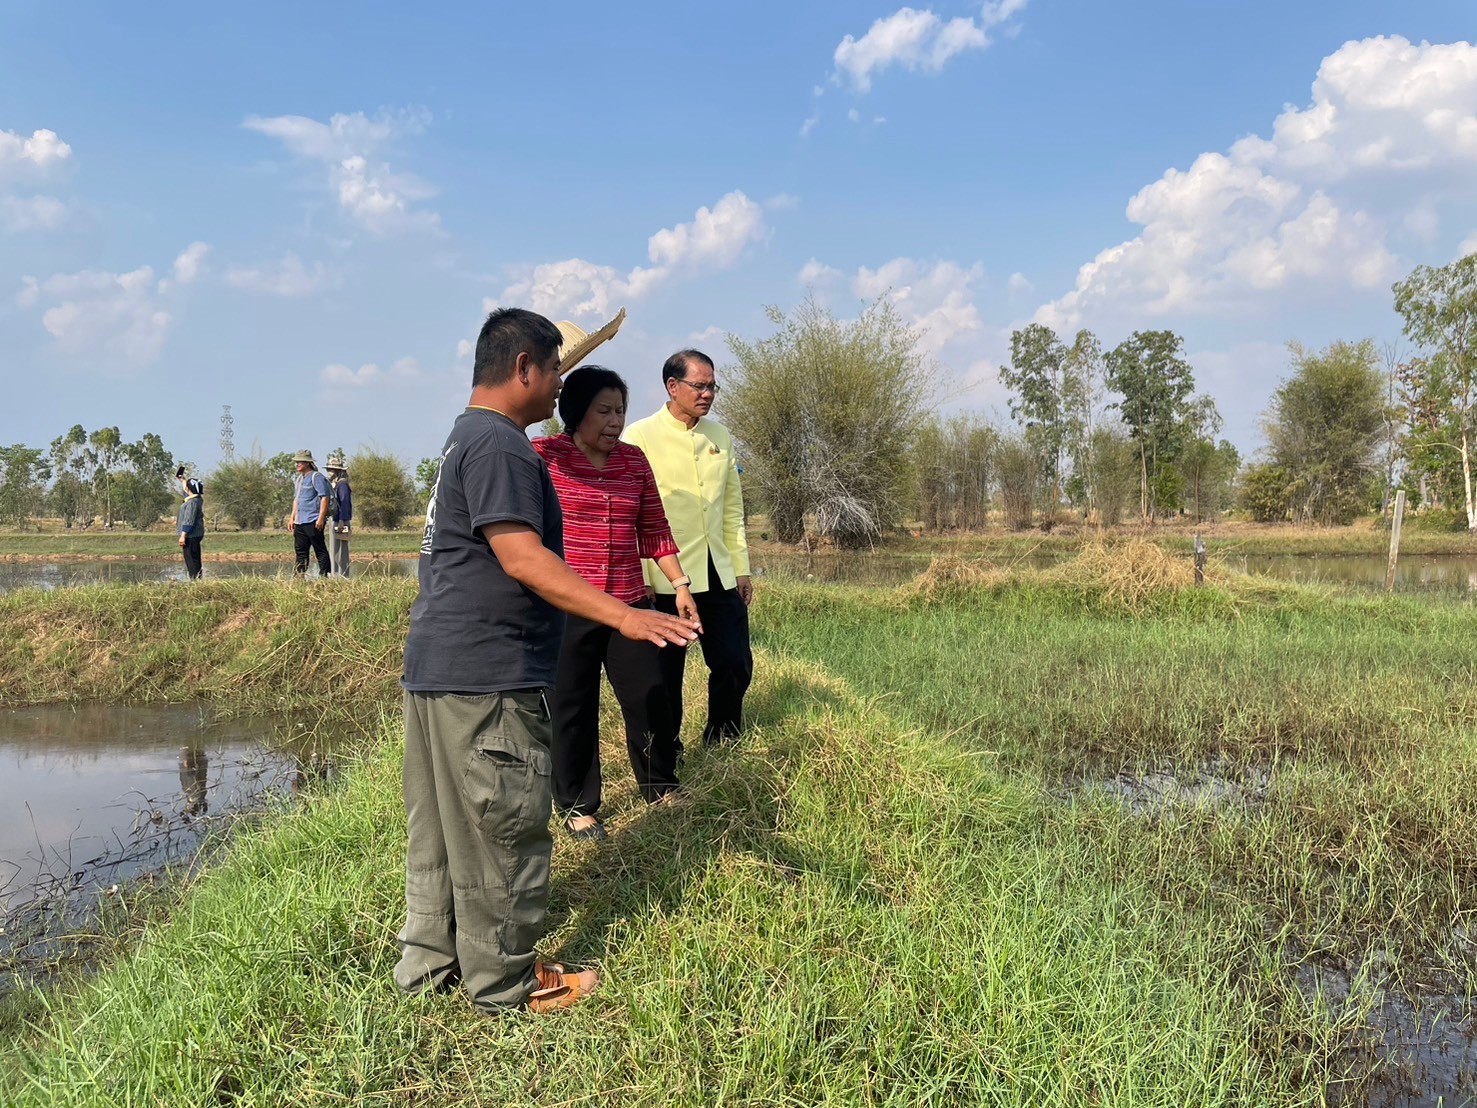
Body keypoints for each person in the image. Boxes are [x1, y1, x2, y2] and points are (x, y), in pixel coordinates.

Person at [395, 307, 698, 1015]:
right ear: (524, 367)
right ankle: (505, 981)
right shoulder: (502, 445)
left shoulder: (464, 437)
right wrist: (627, 612)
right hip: (487, 674)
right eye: (555, 367)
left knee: (442, 829)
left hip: (439, 670)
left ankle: (431, 966)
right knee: (504, 827)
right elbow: (521, 557)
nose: (560, 382)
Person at [534, 365, 700, 842]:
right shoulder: (544, 457)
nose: (614, 420)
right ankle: (577, 804)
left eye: (620, 410)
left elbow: (654, 531)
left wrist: (681, 585)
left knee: (650, 694)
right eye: (603, 410)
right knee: (573, 705)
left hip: (630, 604)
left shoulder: (633, 462)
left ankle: (659, 785)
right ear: (574, 411)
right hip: (568, 605)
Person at [623, 349, 754, 748]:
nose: (708, 393)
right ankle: (667, 749)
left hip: (717, 569)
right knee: (665, 673)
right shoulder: (639, 436)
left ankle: (723, 736)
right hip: (664, 575)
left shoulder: (720, 436)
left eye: (712, 386)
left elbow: (731, 507)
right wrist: (643, 577)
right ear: (672, 386)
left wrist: (741, 567)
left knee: (735, 661)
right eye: (699, 385)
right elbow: (631, 513)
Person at [288, 449, 332, 578]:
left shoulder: (316, 477)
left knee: (320, 549)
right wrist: (292, 518)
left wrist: (321, 518)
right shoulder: (299, 479)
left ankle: (324, 576)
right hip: (300, 521)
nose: (297, 464)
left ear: (307, 463)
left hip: (313, 520)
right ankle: (299, 577)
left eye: (300, 462)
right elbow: (296, 499)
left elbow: (325, 497)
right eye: (297, 462)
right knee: (301, 551)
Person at [325, 454, 353, 578]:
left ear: (337, 471)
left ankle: (341, 575)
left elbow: (345, 502)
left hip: (341, 521)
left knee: (341, 550)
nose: (328, 471)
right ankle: (335, 574)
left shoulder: (342, 485)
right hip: (335, 520)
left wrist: (342, 519)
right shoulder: (335, 485)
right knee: (334, 549)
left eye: (331, 469)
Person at [175, 469, 205, 580]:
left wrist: (183, 535)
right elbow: (187, 491)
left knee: (191, 560)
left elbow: (189, 520)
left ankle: (194, 581)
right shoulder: (197, 499)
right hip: (196, 534)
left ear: (189, 489)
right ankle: (198, 579)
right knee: (196, 558)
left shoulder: (191, 503)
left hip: (190, 535)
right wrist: (182, 480)